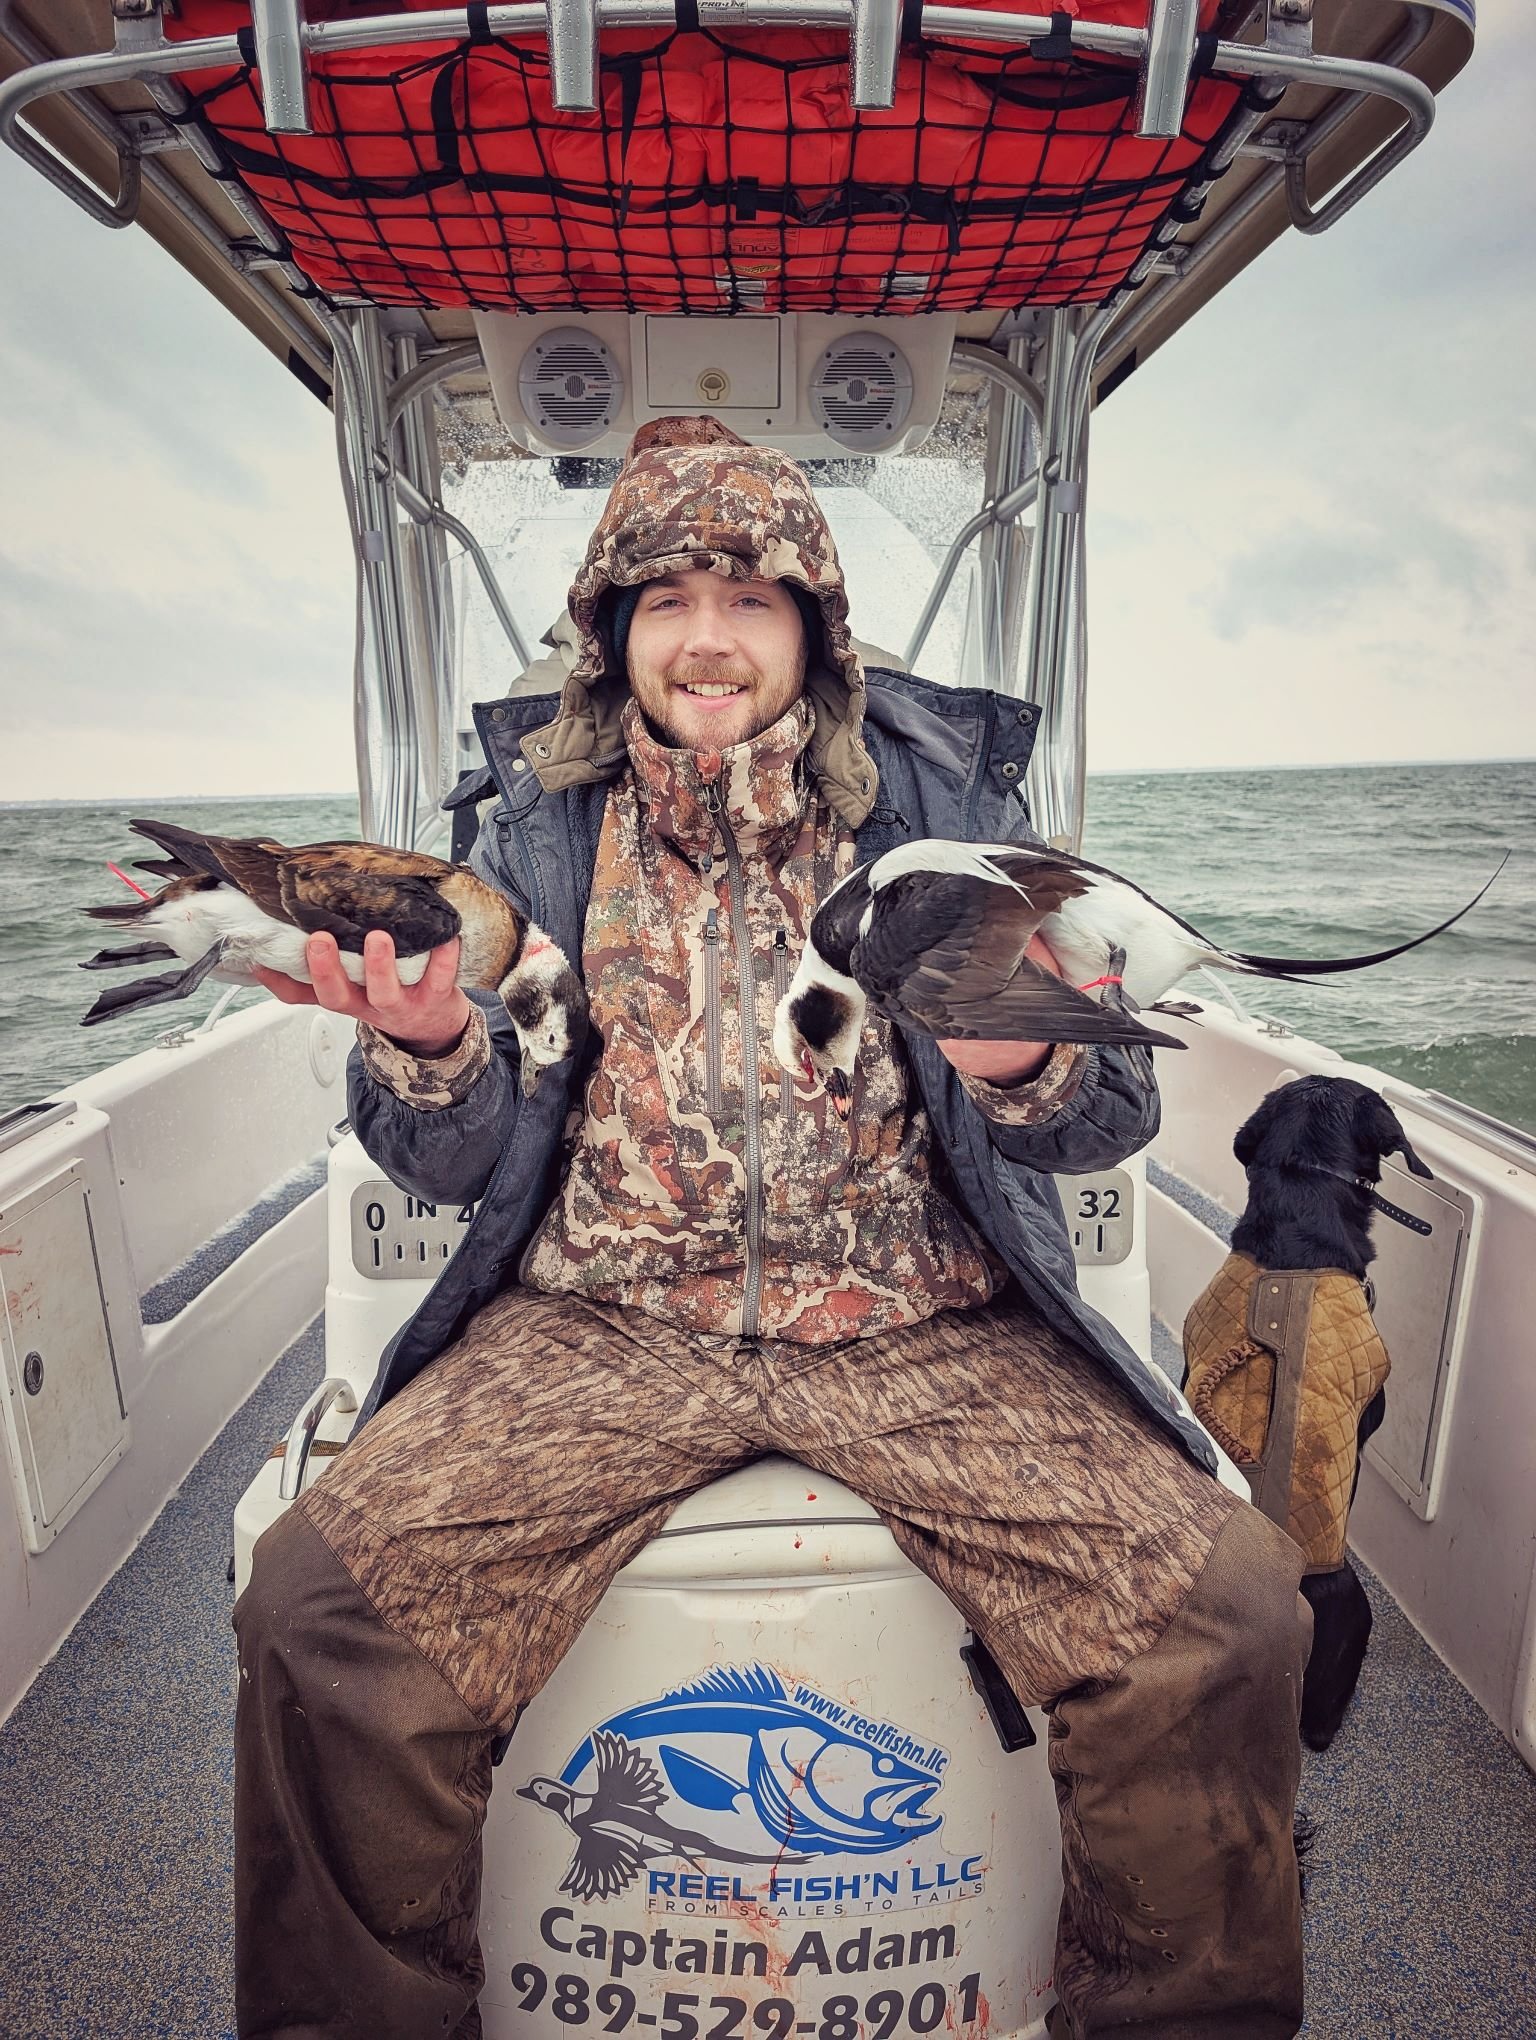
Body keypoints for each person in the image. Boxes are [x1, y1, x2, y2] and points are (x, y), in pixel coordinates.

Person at [238, 419, 1309, 2040]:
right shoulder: (523, 838)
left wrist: (1022, 1062)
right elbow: (435, 1162)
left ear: (815, 623)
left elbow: (1110, 1120)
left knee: (1224, 1617)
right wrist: (430, 1053)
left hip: (916, 1324)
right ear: (613, 636)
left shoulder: (946, 824)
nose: (709, 636)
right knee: (321, 1614)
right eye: (665, 598)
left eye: (751, 592)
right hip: (600, 1324)